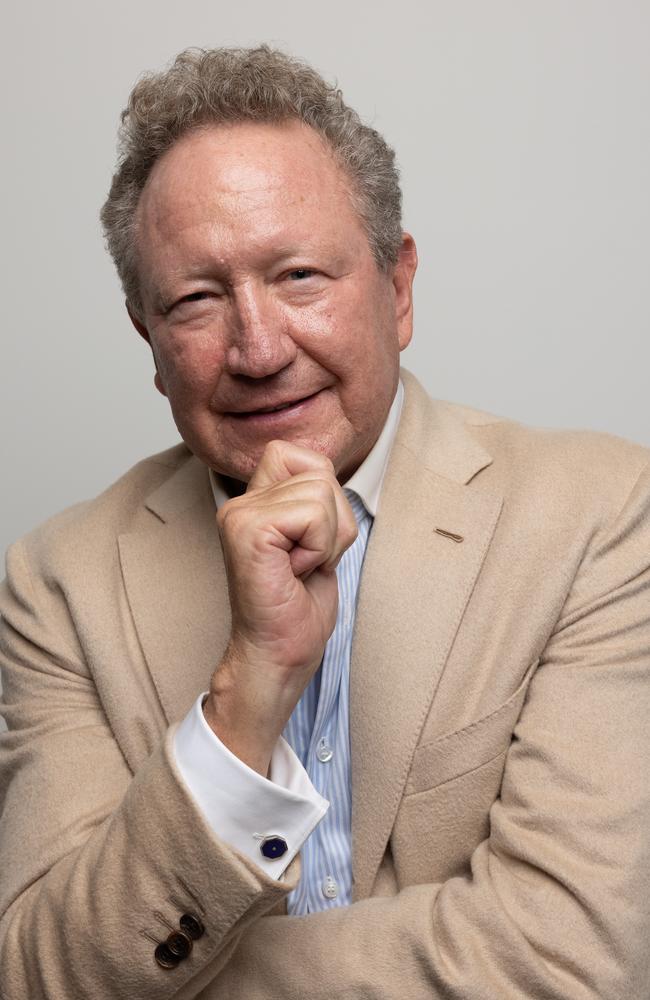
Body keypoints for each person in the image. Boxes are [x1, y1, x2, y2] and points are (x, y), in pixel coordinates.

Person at [0, 45, 648, 1000]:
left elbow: (572, 960)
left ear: (397, 288)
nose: (258, 350)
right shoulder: (59, 581)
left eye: (299, 276)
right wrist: (248, 687)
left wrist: (183, 980)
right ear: (148, 339)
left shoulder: (602, 513)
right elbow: (43, 977)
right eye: (196, 300)